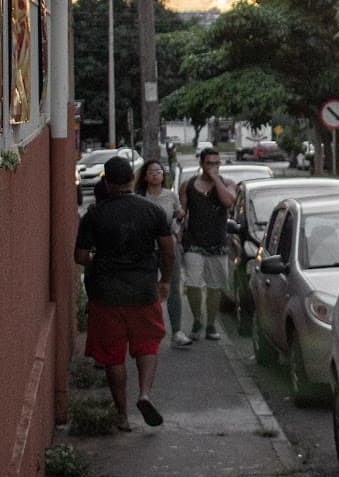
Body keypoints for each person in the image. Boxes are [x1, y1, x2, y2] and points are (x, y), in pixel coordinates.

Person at [74, 154, 174, 430]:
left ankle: (122, 416)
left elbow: (81, 256)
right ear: (132, 179)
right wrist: (165, 281)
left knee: (112, 355)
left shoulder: (95, 214)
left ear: (106, 182)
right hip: (143, 289)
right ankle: (144, 394)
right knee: (147, 345)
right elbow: (168, 251)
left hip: (106, 294)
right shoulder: (152, 211)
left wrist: (99, 260)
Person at [180, 146, 237, 340]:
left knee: (215, 286)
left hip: (217, 243)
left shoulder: (227, 183)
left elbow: (228, 202)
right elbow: (182, 213)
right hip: (194, 242)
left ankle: (211, 325)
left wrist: (216, 180)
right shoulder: (188, 185)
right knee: (193, 283)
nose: (213, 167)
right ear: (201, 164)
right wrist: (179, 235)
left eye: (216, 163)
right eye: (209, 163)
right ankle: (197, 319)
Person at [135, 160, 192, 347]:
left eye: (158, 171)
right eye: (151, 172)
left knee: (173, 286)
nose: (155, 175)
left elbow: (179, 216)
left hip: (169, 245)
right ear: (144, 176)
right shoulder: (140, 198)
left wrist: (180, 219)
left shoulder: (170, 196)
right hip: (147, 247)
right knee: (149, 288)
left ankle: (177, 331)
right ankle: (148, 329)